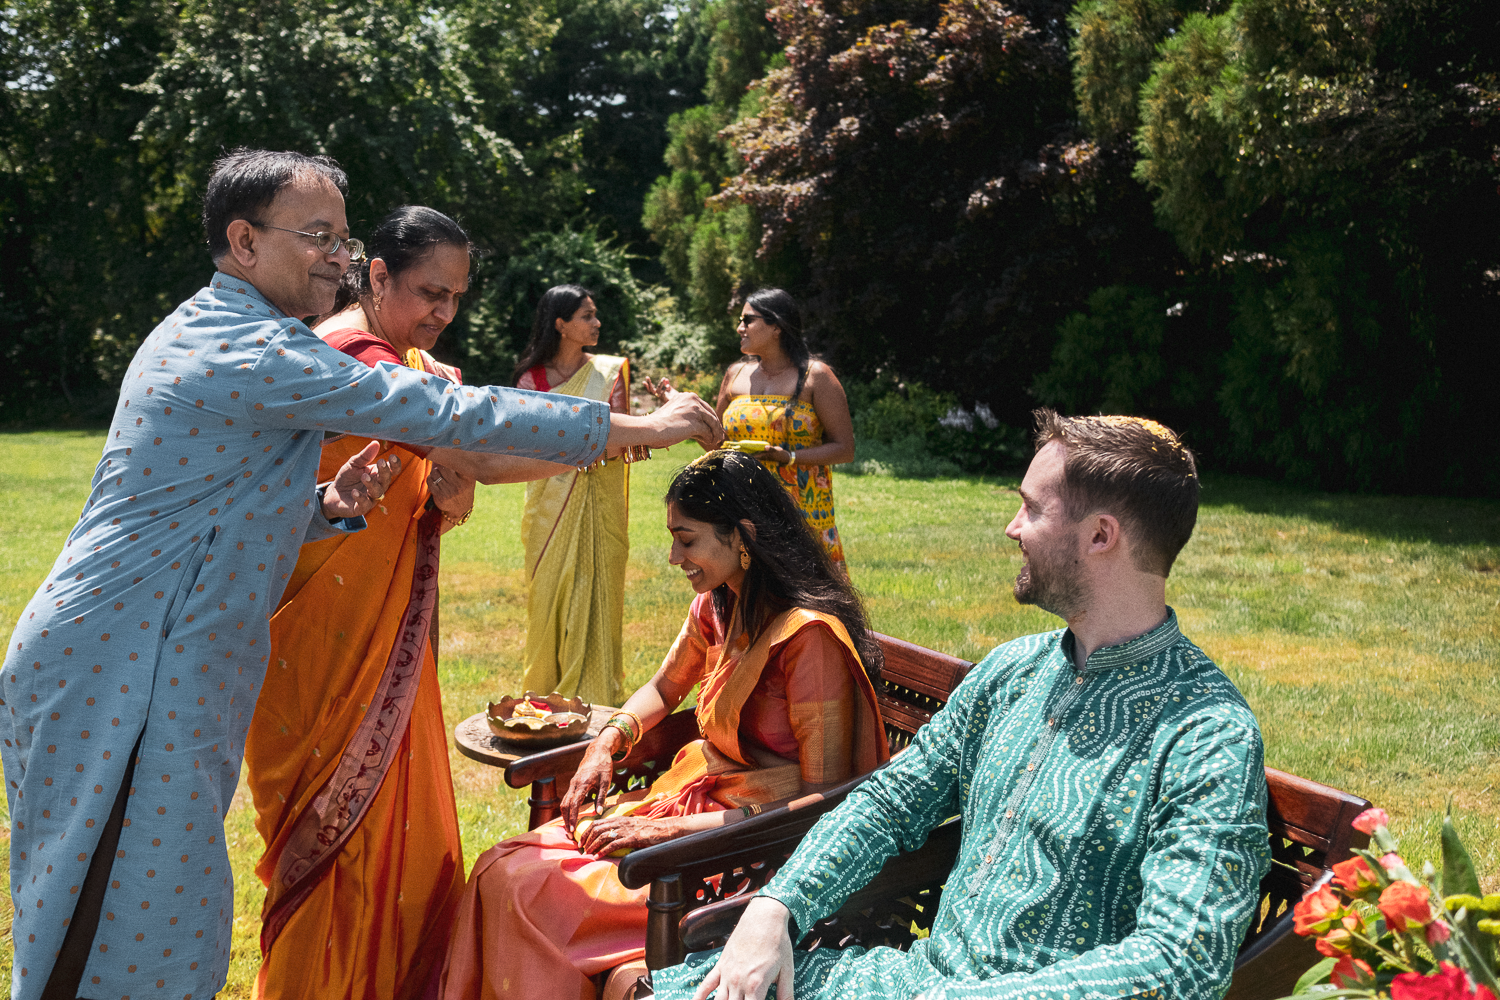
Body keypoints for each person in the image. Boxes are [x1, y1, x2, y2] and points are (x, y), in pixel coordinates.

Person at [1, 147, 719, 1000]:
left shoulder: (238, 332)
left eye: (342, 236)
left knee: (163, 916)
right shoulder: (251, 348)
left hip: (154, 661)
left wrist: (325, 507)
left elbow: (205, 514)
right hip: (125, 669)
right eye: (318, 236)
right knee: (118, 928)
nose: (340, 258)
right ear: (243, 240)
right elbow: (456, 417)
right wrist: (641, 429)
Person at [655, 411, 1273, 1000]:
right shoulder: (1015, 671)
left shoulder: (1206, 732)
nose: (1013, 527)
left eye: (1031, 507)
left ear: (1101, 536)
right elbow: (892, 801)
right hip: (915, 978)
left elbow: (1178, 966)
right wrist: (777, 906)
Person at [246, 205, 568, 999]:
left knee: (398, 850)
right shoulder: (354, 358)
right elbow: (484, 451)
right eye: (428, 292)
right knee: (339, 849)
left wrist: (447, 500)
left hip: (385, 638)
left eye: (455, 297)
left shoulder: (413, 370)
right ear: (377, 275)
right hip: (319, 646)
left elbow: (443, 482)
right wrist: (624, 437)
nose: (443, 313)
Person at [438, 451, 891, 1000]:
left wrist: (667, 833)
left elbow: (823, 800)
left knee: (528, 891)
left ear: (742, 536)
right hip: (688, 811)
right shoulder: (720, 603)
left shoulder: (807, 639)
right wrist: (609, 739)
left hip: (752, 855)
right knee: (500, 869)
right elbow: (664, 688)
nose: (674, 556)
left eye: (688, 539)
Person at [515, 285, 636, 705]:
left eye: (595, 315)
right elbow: (524, 445)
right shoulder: (532, 380)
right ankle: (545, 694)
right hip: (550, 507)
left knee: (599, 592)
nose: (597, 323)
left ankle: (595, 695)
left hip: (600, 505)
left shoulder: (608, 373)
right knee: (548, 598)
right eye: (587, 316)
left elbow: (621, 436)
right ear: (561, 324)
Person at [716, 289, 855, 575]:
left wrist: (790, 457)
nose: (739, 328)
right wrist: (680, 402)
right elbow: (715, 441)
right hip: (743, 502)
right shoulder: (735, 374)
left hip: (802, 507)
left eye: (747, 320)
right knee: (747, 588)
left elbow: (844, 448)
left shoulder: (815, 376)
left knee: (804, 593)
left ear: (776, 326)